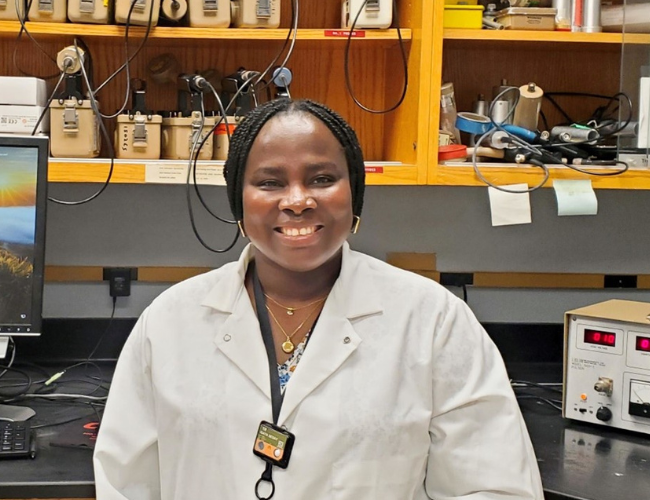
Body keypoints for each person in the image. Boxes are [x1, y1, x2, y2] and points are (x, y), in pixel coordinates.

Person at [93, 99, 543, 499]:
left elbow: (495, 484)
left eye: (322, 178)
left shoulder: (433, 321)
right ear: (238, 202)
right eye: (269, 182)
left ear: (355, 194)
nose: (297, 200)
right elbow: (126, 482)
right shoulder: (171, 323)